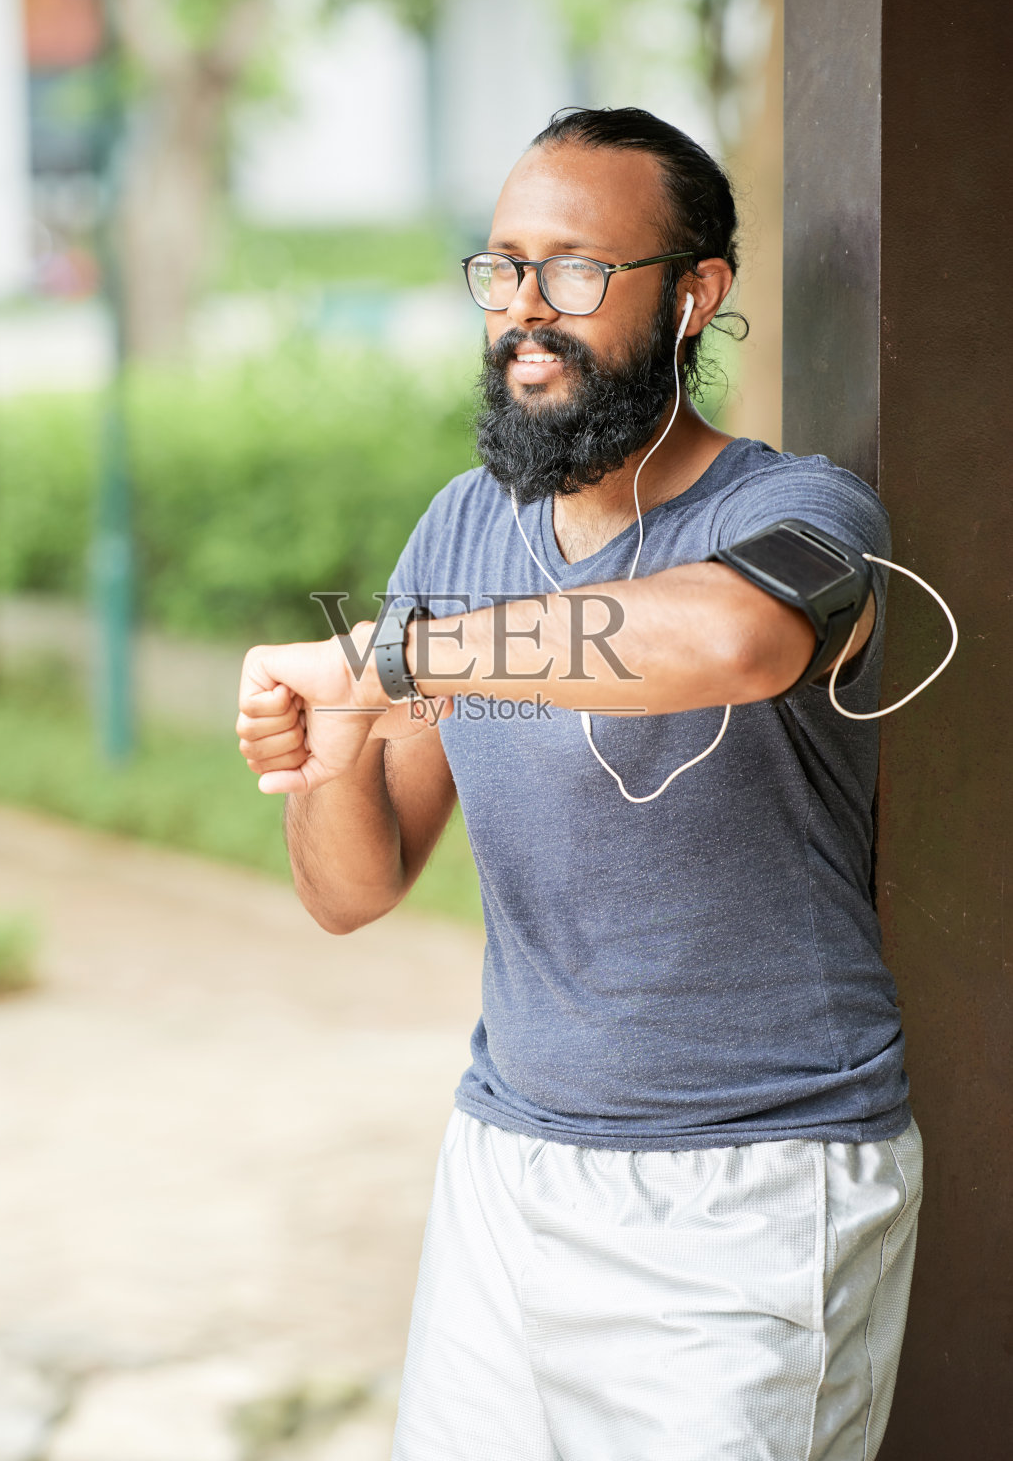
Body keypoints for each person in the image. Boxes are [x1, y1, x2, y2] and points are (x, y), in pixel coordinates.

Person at [235, 108, 921, 1461]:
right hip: (507, 1167)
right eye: (501, 268)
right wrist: (331, 754)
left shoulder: (802, 514)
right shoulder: (462, 528)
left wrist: (392, 655)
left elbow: (727, 640)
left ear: (693, 296)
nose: (526, 312)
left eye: (577, 271)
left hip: (757, 1188)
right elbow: (355, 893)